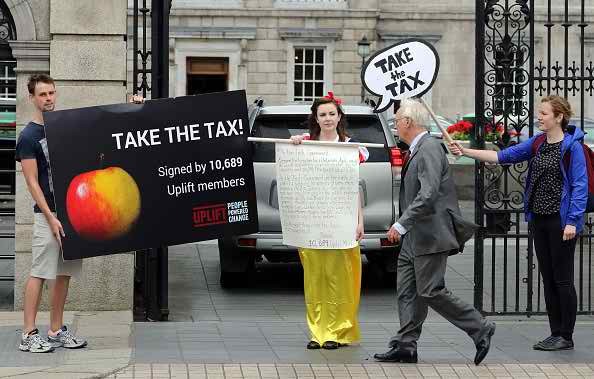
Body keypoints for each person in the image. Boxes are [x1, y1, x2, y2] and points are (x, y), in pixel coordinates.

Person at [449, 95, 587, 351]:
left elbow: (580, 186)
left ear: (559, 117)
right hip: (540, 219)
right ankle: (554, 332)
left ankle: (566, 336)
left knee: (563, 279)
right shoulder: (538, 143)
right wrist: (465, 151)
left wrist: (572, 221)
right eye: (540, 113)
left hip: (561, 222)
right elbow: (504, 156)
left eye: (544, 113)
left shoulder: (572, 147)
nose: (539, 117)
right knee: (547, 278)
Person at [374, 98, 495, 365]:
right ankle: (406, 345)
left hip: (430, 234)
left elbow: (427, 195)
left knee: (430, 290)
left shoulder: (428, 148)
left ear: (408, 122)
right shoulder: (420, 147)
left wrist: (401, 223)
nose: (395, 126)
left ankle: (479, 326)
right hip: (415, 237)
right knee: (407, 291)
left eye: (396, 121)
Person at [15, 74, 88, 352]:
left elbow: (100, 128)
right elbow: (32, 182)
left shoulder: (61, 128)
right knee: (40, 273)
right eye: (43, 94)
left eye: (51, 93)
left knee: (64, 273)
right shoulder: (28, 137)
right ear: (32, 98)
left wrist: (133, 106)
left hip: (70, 213)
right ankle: (28, 334)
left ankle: (56, 329)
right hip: (48, 215)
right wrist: (50, 217)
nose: (48, 99)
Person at [290, 92, 367, 350]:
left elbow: (355, 187)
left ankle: (336, 331)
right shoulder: (305, 144)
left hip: (342, 220)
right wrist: (293, 144)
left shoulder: (351, 147)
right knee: (314, 277)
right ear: (316, 118)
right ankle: (317, 332)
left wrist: (360, 221)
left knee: (340, 277)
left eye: (331, 114)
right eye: (322, 114)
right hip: (313, 220)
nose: (327, 118)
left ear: (339, 116)